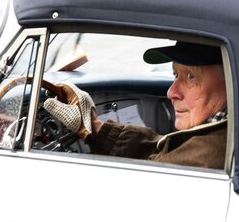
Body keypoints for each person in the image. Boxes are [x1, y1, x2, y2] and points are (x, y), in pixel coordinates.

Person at [43, 41, 227, 169]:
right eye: (175, 75)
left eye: (191, 76)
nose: (171, 92)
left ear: (230, 82)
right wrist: (93, 127)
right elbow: (161, 151)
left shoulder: (208, 153)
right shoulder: (222, 133)